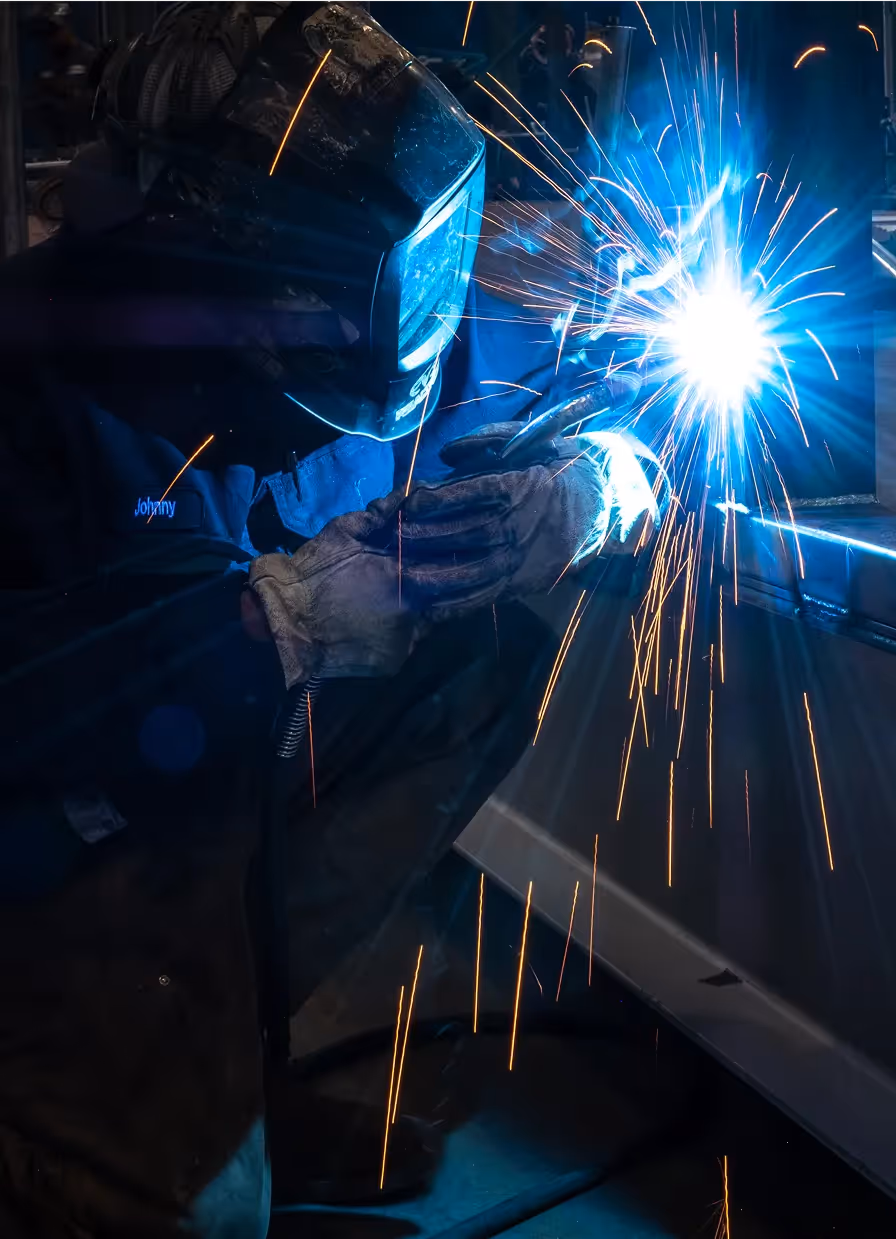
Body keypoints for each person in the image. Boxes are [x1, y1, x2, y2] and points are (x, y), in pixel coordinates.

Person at [0, 3, 655, 1235]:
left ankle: (218, 1066)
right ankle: (72, 1117)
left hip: (205, 773)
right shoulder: (33, 383)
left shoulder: (364, 295)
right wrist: (275, 625)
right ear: (207, 244)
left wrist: (605, 475)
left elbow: (529, 394)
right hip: (53, 843)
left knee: (482, 649)